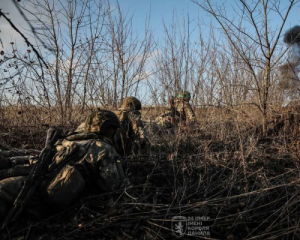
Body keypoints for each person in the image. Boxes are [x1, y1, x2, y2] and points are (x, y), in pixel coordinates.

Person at [0, 109, 125, 222]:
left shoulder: (67, 140)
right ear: (107, 129)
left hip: (34, 183)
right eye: (112, 129)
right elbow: (114, 185)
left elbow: (40, 159)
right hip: (47, 193)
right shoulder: (104, 148)